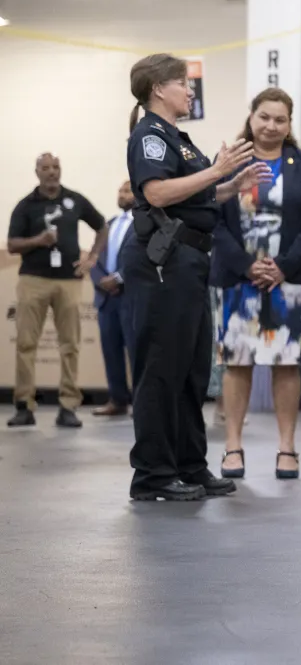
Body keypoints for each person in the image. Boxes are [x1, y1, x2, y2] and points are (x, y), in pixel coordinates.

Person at [123, 53, 266, 501]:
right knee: (162, 368)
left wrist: (230, 185)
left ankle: (189, 464)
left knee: (192, 369)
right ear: (157, 89)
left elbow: (196, 195)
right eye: (183, 83)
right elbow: (156, 192)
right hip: (161, 263)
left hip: (189, 262)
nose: (190, 90)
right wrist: (216, 171)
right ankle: (153, 474)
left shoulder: (178, 140)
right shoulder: (149, 135)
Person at [212, 88, 301, 481]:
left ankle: (287, 448)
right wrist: (247, 266)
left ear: (289, 124)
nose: (271, 126)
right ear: (252, 116)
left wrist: (281, 266)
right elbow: (213, 219)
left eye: (280, 119)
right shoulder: (228, 163)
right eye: (264, 117)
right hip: (237, 279)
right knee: (237, 363)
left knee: (287, 364)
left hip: (290, 280)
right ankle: (232, 447)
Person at [6, 153, 109, 428]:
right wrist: (39, 240)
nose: (52, 172)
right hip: (33, 281)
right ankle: (24, 405)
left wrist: (93, 258)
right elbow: (13, 244)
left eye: (56, 167)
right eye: (46, 168)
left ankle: (68, 406)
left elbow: (102, 226)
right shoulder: (25, 206)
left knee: (70, 345)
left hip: (69, 281)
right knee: (26, 344)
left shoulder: (74, 200)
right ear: (37, 172)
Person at [89, 180, 138, 417]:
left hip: (131, 298)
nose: (122, 194)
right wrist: (101, 280)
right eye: (120, 190)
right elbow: (94, 257)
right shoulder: (108, 224)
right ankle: (117, 400)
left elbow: (143, 260)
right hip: (106, 299)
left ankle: (141, 402)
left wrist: (119, 279)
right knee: (111, 350)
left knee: (137, 352)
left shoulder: (144, 224)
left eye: (127, 190)